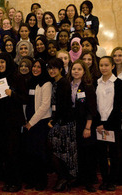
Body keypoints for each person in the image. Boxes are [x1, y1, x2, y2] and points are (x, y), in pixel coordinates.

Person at [0, 53, 27, 192]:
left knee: (13, 152)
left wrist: (11, 94)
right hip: (2, 121)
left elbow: (24, 98)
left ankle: (16, 182)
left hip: (14, 122)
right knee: (5, 153)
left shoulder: (17, 77)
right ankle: (8, 181)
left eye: (3, 62)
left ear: (8, 62)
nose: (0, 65)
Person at [67, 59, 97, 192]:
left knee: (88, 154)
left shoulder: (87, 86)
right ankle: (79, 178)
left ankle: (89, 181)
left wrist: (88, 127)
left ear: (84, 71)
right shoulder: (68, 85)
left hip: (85, 124)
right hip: (73, 124)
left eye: (79, 69)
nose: (76, 71)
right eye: (74, 69)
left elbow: (92, 109)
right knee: (77, 153)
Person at [47, 58, 77, 192]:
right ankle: (63, 177)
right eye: (50, 68)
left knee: (62, 153)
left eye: (55, 68)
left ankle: (64, 177)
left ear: (60, 69)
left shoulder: (63, 83)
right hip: (59, 121)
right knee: (57, 152)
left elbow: (64, 105)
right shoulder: (56, 82)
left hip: (64, 123)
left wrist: (53, 121)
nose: (52, 71)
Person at [95, 56, 122, 191]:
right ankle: (105, 180)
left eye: (106, 65)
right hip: (99, 124)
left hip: (113, 123)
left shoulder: (119, 83)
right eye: (101, 65)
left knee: (114, 153)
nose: (103, 68)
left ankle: (112, 180)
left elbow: (118, 107)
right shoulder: (96, 83)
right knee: (101, 154)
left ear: (112, 66)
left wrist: (106, 125)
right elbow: (94, 105)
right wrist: (99, 123)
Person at [24, 59, 52, 191]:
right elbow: (26, 102)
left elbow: (45, 106)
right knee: (30, 152)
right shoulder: (30, 82)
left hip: (40, 123)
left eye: (38, 67)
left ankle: (41, 180)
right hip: (28, 122)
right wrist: (25, 120)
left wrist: (31, 122)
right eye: (34, 66)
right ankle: (32, 179)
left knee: (40, 152)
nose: (35, 69)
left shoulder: (46, 83)